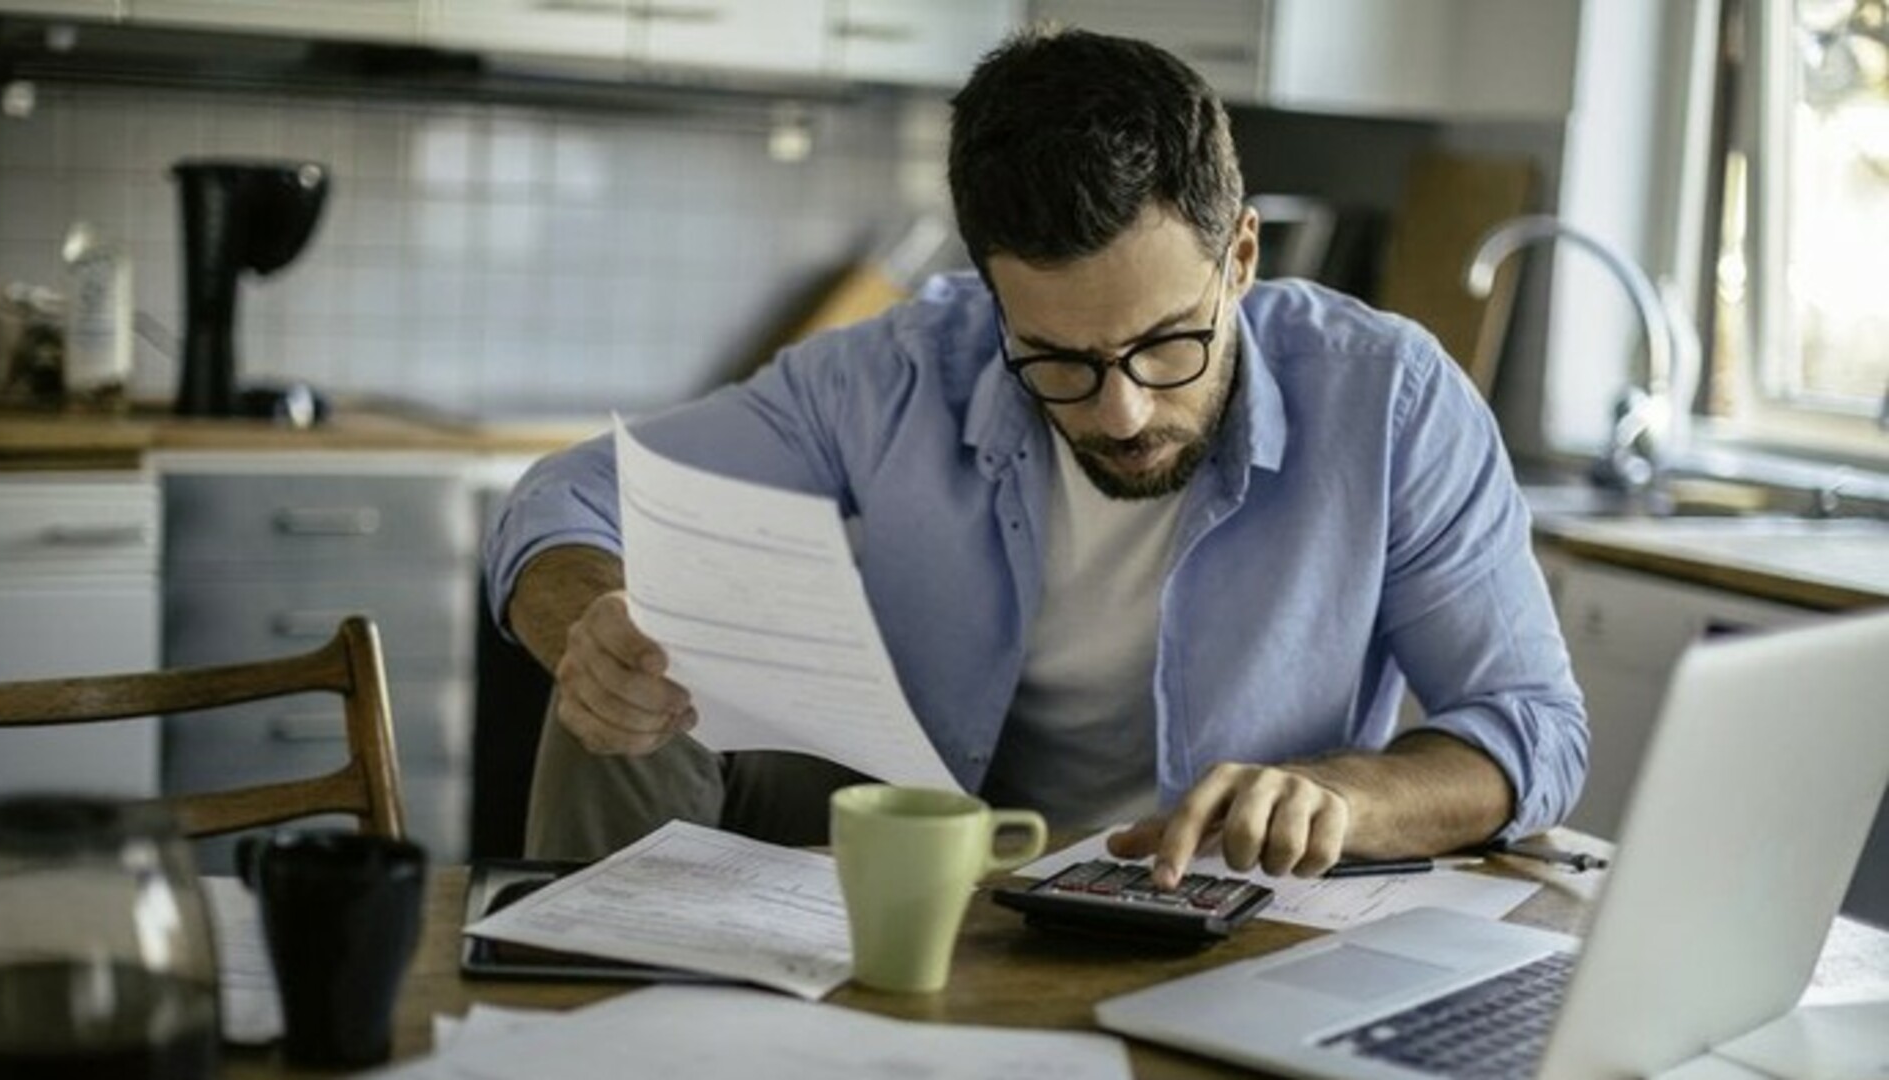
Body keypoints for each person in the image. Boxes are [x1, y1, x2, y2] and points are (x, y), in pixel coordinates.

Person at [485, 27, 1587, 887]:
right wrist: (591, 620)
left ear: (1240, 254)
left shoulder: (1390, 397)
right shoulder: (902, 369)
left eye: (1167, 344)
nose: (1119, 410)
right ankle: (590, 1022)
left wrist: (1340, 799)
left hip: (1205, 895)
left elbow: (1530, 728)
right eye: (1055, 358)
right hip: (923, 846)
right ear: (993, 297)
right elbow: (566, 493)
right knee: (630, 649)